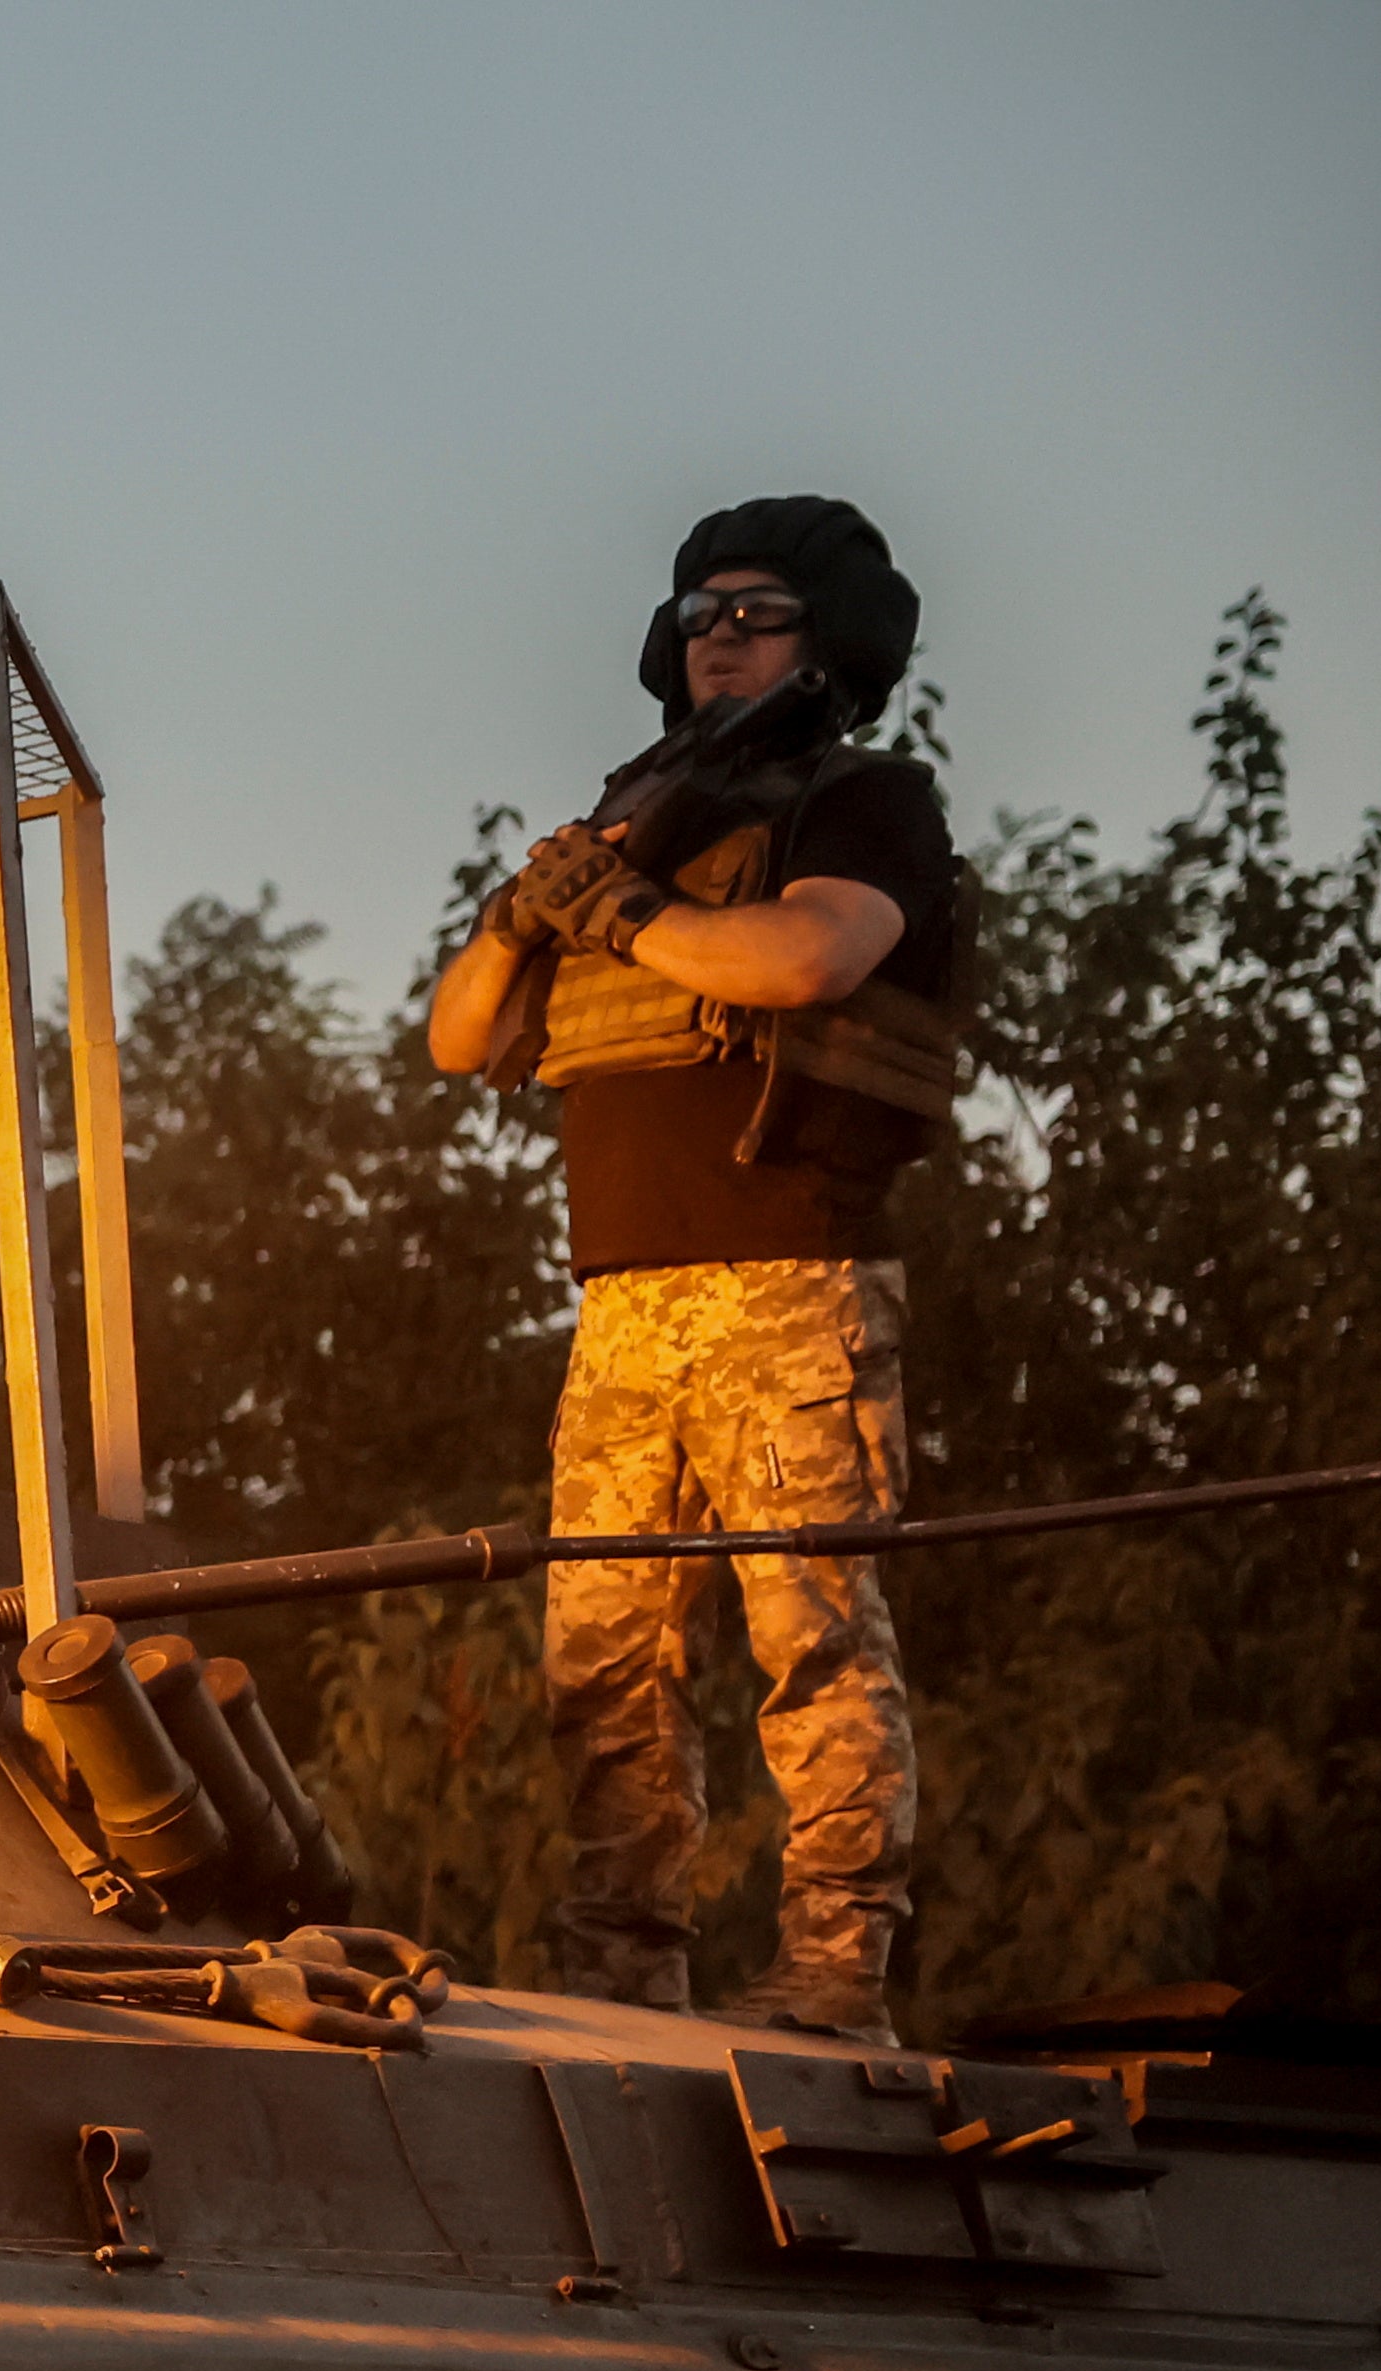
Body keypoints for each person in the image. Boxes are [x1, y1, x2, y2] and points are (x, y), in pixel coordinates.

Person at [428, 497, 965, 2048]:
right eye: (695, 612)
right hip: (622, 1299)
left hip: (788, 1275)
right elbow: (463, 1034)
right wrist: (543, 906)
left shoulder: (858, 803)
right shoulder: (629, 822)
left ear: (829, 640)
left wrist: (626, 909)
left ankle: (832, 1970)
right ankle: (622, 1973)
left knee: (810, 1635)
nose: (714, 631)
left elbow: (803, 961)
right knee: (598, 1658)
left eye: (756, 610)